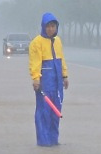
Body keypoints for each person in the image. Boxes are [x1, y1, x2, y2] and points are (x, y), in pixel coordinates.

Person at [29, 12, 69, 147]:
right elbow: (35, 63)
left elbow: (61, 59)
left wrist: (65, 76)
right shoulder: (36, 43)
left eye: (53, 26)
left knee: (55, 112)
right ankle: (44, 142)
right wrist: (36, 79)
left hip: (57, 83)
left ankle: (53, 140)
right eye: (48, 26)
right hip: (44, 83)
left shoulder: (58, 41)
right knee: (43, 112)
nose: (51, 29)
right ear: (43, 27)